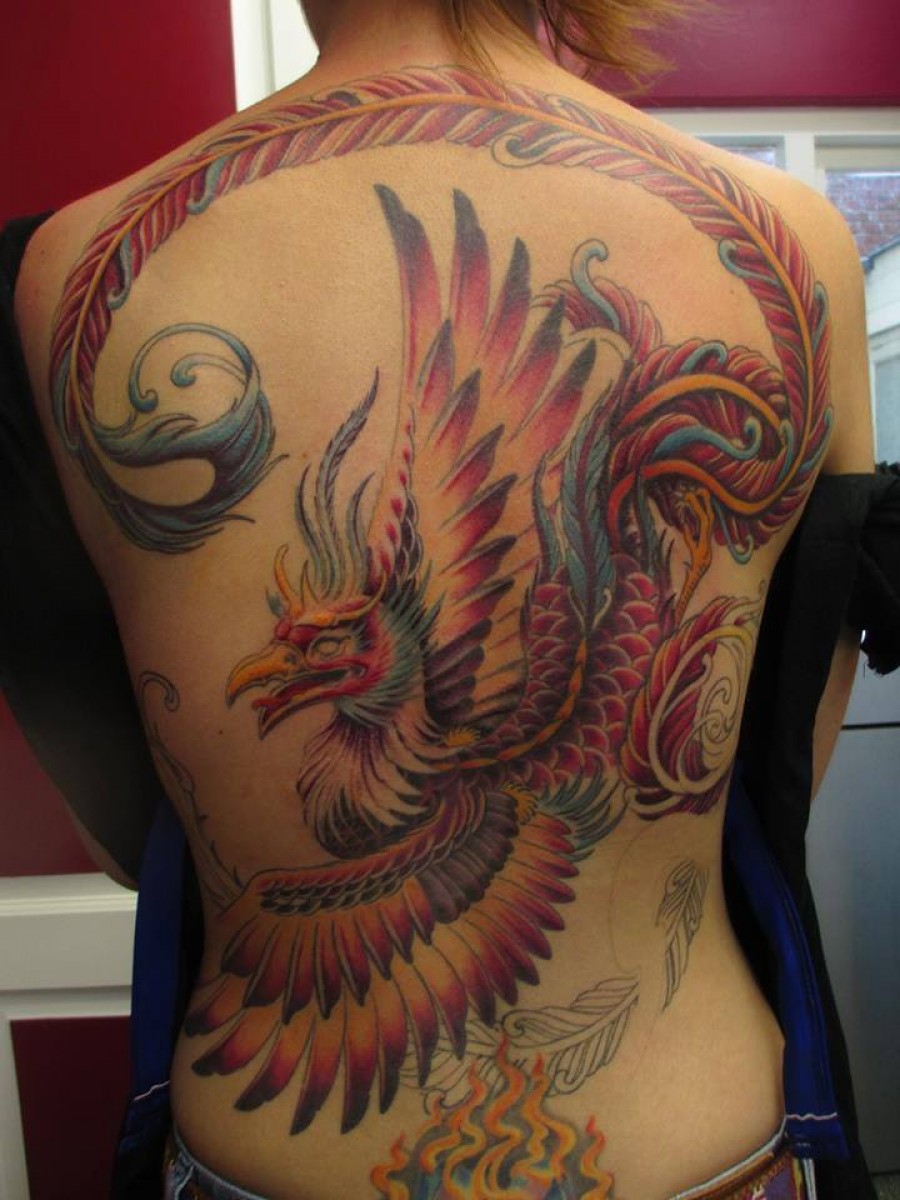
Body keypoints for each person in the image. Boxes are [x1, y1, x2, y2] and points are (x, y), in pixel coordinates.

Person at [4, 1, 889, 1197]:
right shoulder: (791, 244)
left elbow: (125, 837)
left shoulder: (74, 273)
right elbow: (777, 773)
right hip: (704, 1146)